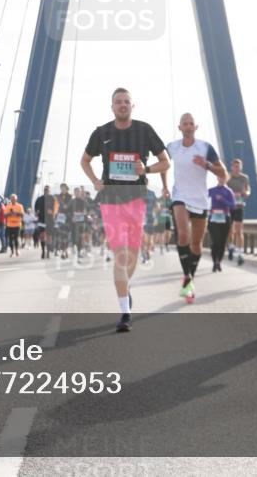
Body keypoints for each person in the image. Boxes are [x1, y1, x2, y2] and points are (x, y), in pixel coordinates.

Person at [81, 88, 169, 332]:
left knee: (133, 252)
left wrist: (147, 169)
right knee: (120, 253)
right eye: (118, 102)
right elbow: (85, 160)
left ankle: (125, 287)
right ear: (112, 107)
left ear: (133, 106)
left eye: (126, 102)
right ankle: (125, 312)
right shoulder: (101, 133)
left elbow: (166, 162)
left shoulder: (145, 130)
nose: (122, 105)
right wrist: (95, 182)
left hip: (137, 199)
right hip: (110, 199)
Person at [164, 113, 226, 304]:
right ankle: (187, 278)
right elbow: (163, 164)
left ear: (195, 127)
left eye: (191, 123)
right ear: (179, 127)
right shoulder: (172, 147)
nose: (188, 126)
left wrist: (206, 165)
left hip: (200, 199)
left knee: (197, 244)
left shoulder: (205, 147)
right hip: (180, 196)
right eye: (185, 123)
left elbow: (223, 173)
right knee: (183, 236)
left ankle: (190, 276)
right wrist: (165, 185)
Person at [207, 174, 236, 272]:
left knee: (222, 241)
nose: (221, 178)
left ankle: (219, 261)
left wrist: (223, 200)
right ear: (217, 177)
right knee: (215, 240)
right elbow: (204, 202)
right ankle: (214, 261)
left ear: (226, 179)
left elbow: (233, 206)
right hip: (213, 218)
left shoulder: (229, 191)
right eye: (220, 176)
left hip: (225, 218)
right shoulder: (211, 190)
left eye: (223, 177)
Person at [226, 158, 250, 263]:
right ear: (232, 167)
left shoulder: (244, 178)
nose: (237, 168)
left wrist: (246, 193)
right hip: (229, 207)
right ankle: (231, 247)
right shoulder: (228, 177)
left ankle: (240, 253)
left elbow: (248, 189)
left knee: (239, 231)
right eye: (235, 166)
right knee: (230, 231)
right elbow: (223, 189)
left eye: (238, 166)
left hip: (239, 206)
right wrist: (231, 194)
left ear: (241, 167)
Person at [33, 185, 57, 259]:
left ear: (50, 191)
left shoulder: (53, 198)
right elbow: (36, 207)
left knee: (49, 236)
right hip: (42, 219)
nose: (46, 191)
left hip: (50, 220)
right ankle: (43, 251)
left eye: (48, 190)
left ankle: (48, 251)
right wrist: (36, 211)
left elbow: (56, 208)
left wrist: (52, 211)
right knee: (42, 236)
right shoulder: (39, 199)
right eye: (45, 190)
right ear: (44, 190)